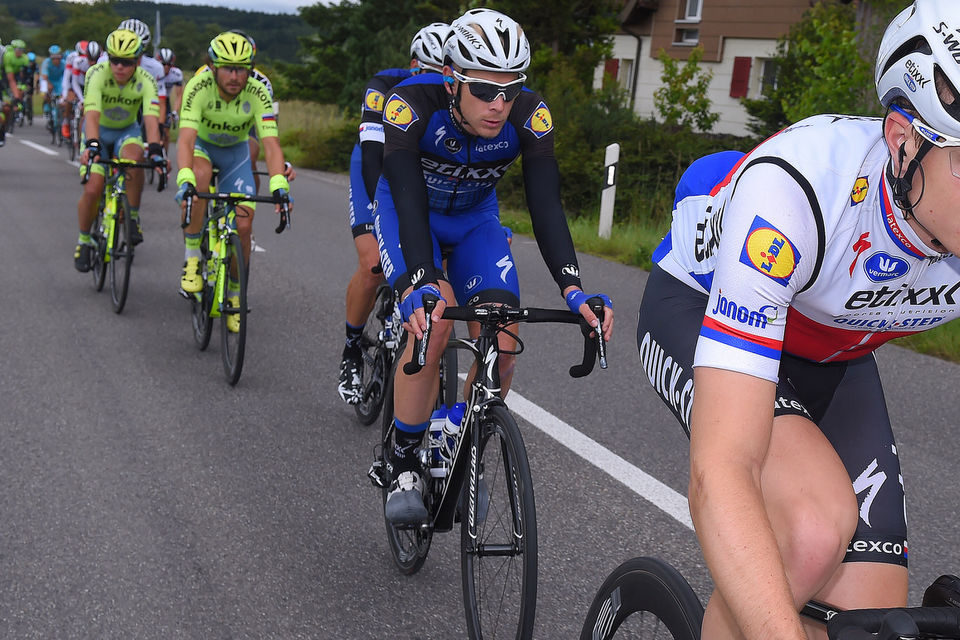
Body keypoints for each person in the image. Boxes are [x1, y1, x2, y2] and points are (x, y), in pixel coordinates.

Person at [635, 1, 960, 638]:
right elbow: (722, 470)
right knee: (811, 530)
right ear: (902, 141)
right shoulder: (800, 188)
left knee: (873, 622)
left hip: (834, 353)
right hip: (700, 308)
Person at [376, 8, 614, 523]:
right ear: (452, 81)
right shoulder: (412, 104)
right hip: (408, 214)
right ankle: (402, 463)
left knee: (504, 340)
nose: (499, 104)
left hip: (475, 221)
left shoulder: (530, 115)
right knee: (433, 324)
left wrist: (574, 290)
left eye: (510, 90)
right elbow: (408, 200)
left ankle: (459, 441)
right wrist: (420, 279)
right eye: (485, 90)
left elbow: (546, 207)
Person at [337, 21, 451, 405]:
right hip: (376, 168)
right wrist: (380, 218)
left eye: (444, 75)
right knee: (374, 264)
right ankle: (352, 348)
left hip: (421, 173)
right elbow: (372, 156)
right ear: (413, 64)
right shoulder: (385, 86)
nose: (435, 84)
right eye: (427, 73)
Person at [175, 31, 291, 332]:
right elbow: (185, 140)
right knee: (199, 178)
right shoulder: (198, 86)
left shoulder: (258, 90)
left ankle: (237, 295)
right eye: (228, 67)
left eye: (242, 68)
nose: (235, 76)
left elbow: (271, 144)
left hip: (235, 153)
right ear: (213, 67)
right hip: (203, 146)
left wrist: (280, 184)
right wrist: (184, 178)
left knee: (243, 226)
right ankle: (192, 260)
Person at [74, 29, 164, 273]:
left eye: (127, 62)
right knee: (93, 188)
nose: (120, 67)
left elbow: (151, 119)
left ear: (137, 61)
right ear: (108, 58)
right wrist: (92, 144)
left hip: (127, 132)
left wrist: (156, 150)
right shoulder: (96, 74)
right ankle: (84, 240)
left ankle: (132, 215)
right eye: (115, 60)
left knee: (135, 159)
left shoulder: (146, 80)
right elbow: (91, 115)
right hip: (97, 133)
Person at [1, 39, 30, 146]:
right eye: (18, 49)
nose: (20, 52)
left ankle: (17, 107)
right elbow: (10, 78)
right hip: (6, 76)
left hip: (17, 76)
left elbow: (24, 75)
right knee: (7, 104)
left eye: (22, 50)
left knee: (21, 90)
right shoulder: (8, 56)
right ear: (13, 49)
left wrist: (22, 87)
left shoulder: (24, 58)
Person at [156, 47, 182, 158]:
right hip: (152, 99)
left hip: (165, 101)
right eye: (163, 64)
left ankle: (164, 158)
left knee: (166, 133)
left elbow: (179, 95)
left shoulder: (176, 74)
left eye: (169, 64)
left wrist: (175, 111)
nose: (166, 67)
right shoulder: (153, 70)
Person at [40, 44, 65, 128]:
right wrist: (47, 87)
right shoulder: (46, 63)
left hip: (59, 81)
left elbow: (66, 77)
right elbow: (44, 77)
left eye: (58, 58)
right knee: (47, 92)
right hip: (47, 80)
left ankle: (59, 114)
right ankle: (47, 108)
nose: (56, 60)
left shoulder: (63, 63)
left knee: (62, 95)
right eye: (53, 58)